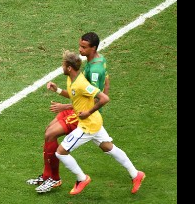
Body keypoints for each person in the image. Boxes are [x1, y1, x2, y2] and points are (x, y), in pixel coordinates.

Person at [44, 50, 145, 195]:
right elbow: (73, 96)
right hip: (94, 122)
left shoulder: (82, 84)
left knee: (60, 153)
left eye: (63, 64)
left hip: (88, 125)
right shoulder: (71, 79)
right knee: (108, 148)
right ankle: (136, 174)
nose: (61, 67)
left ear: (69, 68)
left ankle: (82, 178)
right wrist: (57, 90)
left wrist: (88, 112)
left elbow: (104, 98)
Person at [28, 32, 110, 193]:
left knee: (53, 137)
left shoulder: (84, 79)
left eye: (83, 47)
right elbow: (76, 94)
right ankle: (47, 176)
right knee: (48, 133)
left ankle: (56, 179)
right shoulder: (74, 76)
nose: (80, 49)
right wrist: (57, 90)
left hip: (82, 116)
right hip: (76, 110)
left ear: (69, 67)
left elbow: (97, 97)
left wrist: (67, 107)